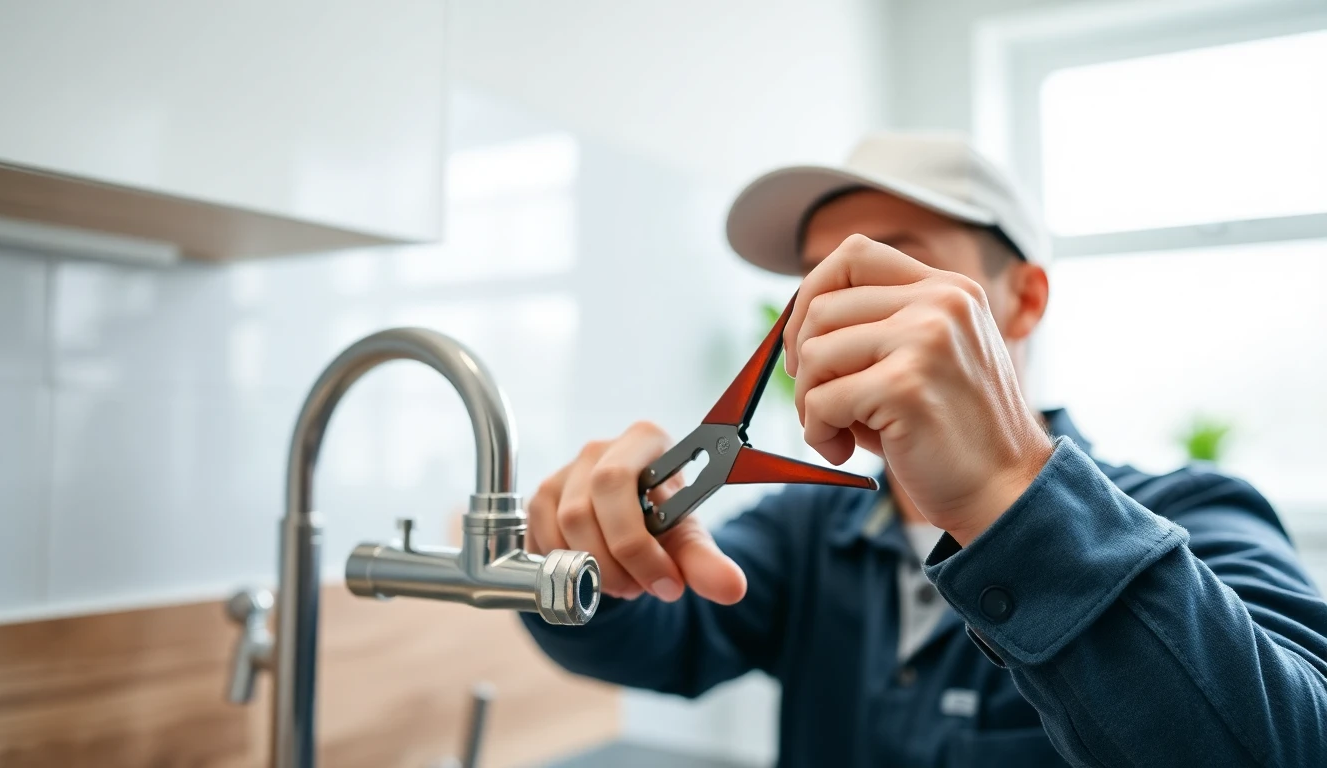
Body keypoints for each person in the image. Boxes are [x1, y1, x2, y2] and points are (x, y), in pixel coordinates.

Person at [518, 133, 1327, 767]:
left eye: (894, 265)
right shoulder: (807, 531)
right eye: (816, 281)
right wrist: (588, 552)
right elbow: (659, 638)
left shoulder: (1195, 514)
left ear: (1025, 298)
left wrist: (1008, 491)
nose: (839, 308)